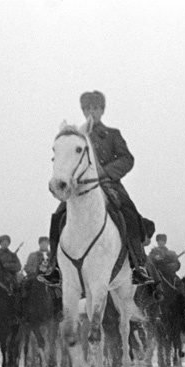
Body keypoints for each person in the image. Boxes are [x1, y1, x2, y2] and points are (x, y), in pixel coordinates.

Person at [39, 90, 152, 287]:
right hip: (81, 189)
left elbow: (127, 159)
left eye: (96, 108)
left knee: (129, 213)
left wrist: (105, 172)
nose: (92, 111)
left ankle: (137, 264)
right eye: (88, 108)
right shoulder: (76, 136)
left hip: (109, 185)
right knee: (58, 216)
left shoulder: (113, 135)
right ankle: (54, 266)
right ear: (83, 110)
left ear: (102, 110)